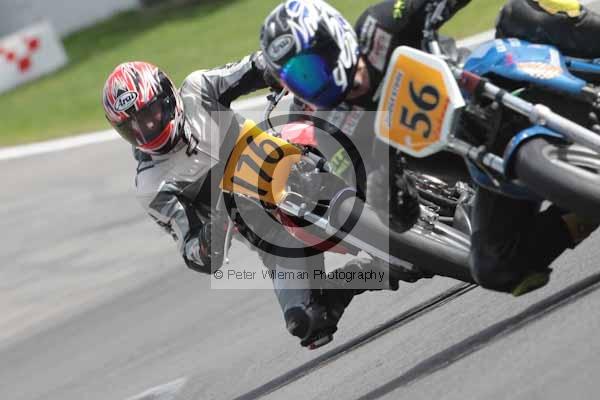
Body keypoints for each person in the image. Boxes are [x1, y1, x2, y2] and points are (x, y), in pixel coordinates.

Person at [260, 0, 599, 295]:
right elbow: (383, 203)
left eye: (311, 68)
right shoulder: (332, 129)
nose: (312, 84)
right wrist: (388, 192)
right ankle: (583, 209)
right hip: (482, 163)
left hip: (496, 79)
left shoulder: (381, 24)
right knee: (496, 266)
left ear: (334, 41)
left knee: (520, 12)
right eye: (299, 80)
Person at [101, 55, 414, 350]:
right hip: (267, 232)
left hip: (286, 155)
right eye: (132, 127)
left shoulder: (198, 89)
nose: (145, 130)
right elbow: (193, 250)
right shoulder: (152, 186)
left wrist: (274, 72)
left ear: (168, 97)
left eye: (149, 115)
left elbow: (252, 67)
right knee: (306, 322)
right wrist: (212, 234)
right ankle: (372, 272)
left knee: (325, 115)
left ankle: (402, 162)